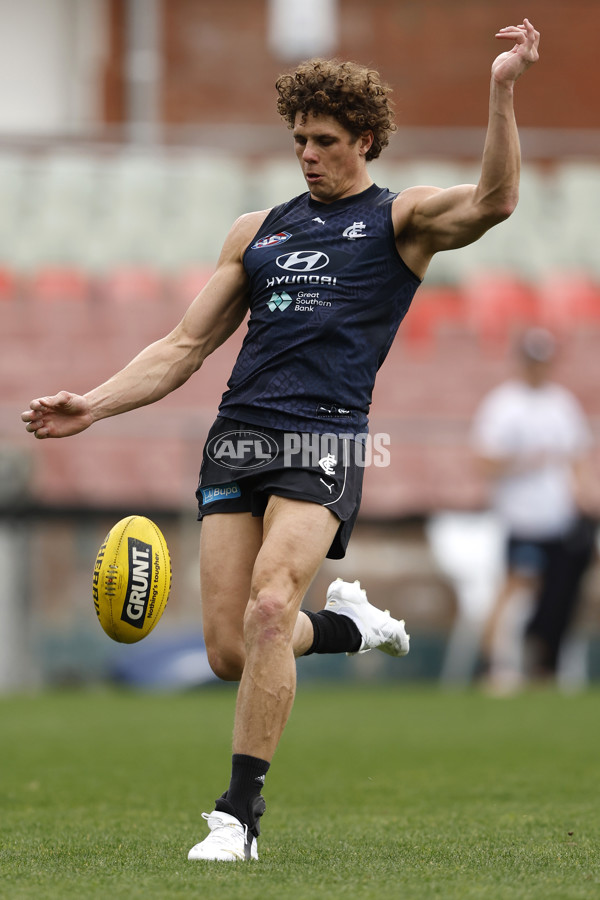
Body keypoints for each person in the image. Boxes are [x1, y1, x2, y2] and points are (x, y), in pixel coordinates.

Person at [22, 20, 540, 860]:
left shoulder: (398, 220)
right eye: (298, 139)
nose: (307, 153)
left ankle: (237, 817)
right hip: (238, 436)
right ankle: (354, 629)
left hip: (324, 438)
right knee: (233, 648)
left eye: (325, 140)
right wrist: (95, 403)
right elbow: (184, 347)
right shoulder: (255, 230)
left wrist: (502, 88)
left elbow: (495, 202)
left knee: (271, 605)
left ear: (364, 140)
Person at [472, 327, 598, 692]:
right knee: (514, 587)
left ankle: (545, 665)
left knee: (558, 597)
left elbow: (577, 459)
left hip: (559, 521)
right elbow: (484, 460)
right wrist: (523, 461)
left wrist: (585, 497)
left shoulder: (562, 404)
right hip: (522, 519)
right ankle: (492, 663)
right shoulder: (503, 405)